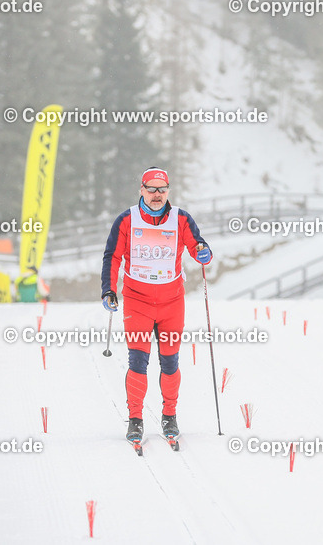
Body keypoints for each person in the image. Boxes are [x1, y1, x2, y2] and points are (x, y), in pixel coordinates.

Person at [101, 167, 212, 444]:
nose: (156, 195)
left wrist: (203, 251)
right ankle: (136, 419)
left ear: (168, 191)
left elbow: (197, 246)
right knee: (138, 361)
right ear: (141, 190)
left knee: (170, 361)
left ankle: (169, 415)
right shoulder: (126, 220)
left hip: (171, 302)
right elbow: (112, 257)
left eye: (162, 189)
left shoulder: (181, 219)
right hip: (137, 302)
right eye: (151, 189)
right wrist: (109, 290)